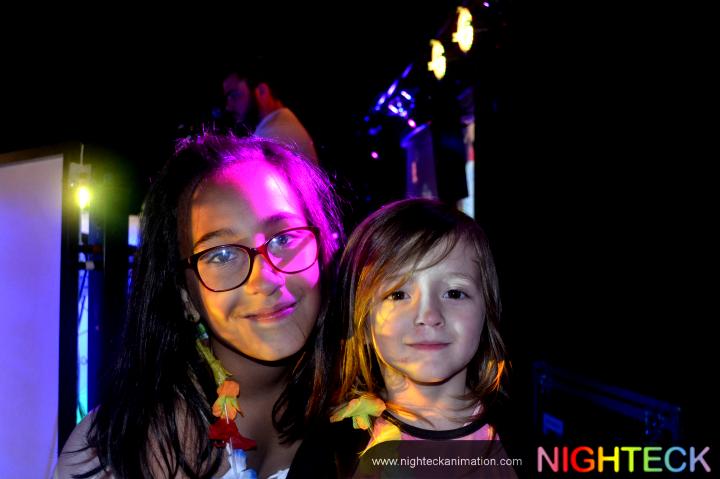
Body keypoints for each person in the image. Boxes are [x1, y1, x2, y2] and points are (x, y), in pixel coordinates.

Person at [55, 133, 344, 478]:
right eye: (221, 255)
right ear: (185, 297)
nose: (266, 278)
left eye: (284, 238)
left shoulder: (368, 413)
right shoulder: (118, 450)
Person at [330, 198, 515, 477]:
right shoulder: (336, 451)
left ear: (487, 314)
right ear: (362, 322)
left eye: (454, 293)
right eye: (397, 294)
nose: (429, 315)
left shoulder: (523, 435)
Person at [222, 62, 319, 165]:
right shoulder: (284, 123)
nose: (228, 107)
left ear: (262, 91)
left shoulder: (270, 139)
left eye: (234, 95)